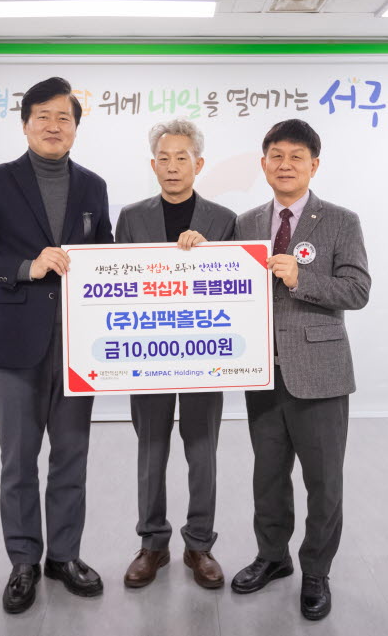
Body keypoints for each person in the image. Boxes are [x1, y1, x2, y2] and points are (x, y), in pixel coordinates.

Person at [0, 76, 113, 614]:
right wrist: (27, 266)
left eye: (63, 117)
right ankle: (24, 561)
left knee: (71, 457)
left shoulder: (93, 186)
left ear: (76, 128)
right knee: (19, 461)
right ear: (25, 125)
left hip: (79, 348)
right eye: (42, 116)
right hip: (16, 345)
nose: (53, 126)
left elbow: (106, 255)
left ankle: (64, 557)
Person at [230, 118, 370, 621]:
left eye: (296, 157)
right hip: (262, 371)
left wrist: (301, 278)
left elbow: (357, 290)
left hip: (321, 371)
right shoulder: (245, 223)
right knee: (268, 475)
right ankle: (272, 557)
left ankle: (316, 570)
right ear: (263, 163)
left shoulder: (340, 221)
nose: (285, 165)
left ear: (314, 165)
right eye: (276, 156)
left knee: (323, 480)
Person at [113, 119, 236, 591]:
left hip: (203, 354)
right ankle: (153, 543)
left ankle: (199, 543)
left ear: (198, 164)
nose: (171, 167)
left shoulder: (223, 220)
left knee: (202, 450)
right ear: (153, 165)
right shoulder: (131, 218)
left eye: (181, 158)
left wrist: (209, 255)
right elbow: (117, 283)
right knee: (151, 450)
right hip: (148, 353)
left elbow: (236, 284)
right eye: (163, 158)